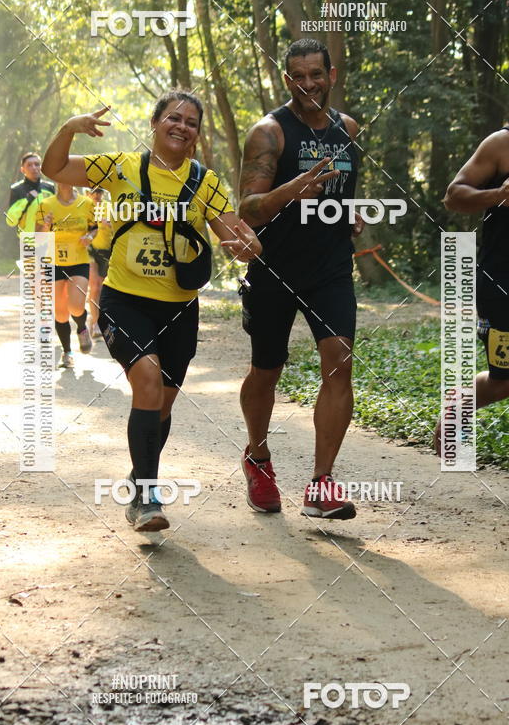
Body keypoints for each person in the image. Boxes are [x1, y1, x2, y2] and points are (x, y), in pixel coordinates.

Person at [41, 90, 262, 532]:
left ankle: (139, 473)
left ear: (197, 135)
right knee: (145, 379)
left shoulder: (205, 182)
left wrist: (247, 246)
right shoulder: (120, 166)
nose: (182, 126)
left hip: (179, 308)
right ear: (155, 123)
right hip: (125, 299)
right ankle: (145, 496)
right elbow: (54, 168)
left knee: (160, 404)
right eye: (173, 118)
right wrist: (69, 128)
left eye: (191, 122)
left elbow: (237, 239)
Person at [238, 38, 363, 520]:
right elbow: (247, 208)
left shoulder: (347, 129)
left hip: (330, 269)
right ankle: (258, 457)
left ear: (332, 75)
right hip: (274, 268)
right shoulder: (269, 133)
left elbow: (344, 192)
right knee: (266, 370)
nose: (308, 84)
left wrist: (350, 213)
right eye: (298, 76)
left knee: (340, 364)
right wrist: (290, 190)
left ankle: (321, 482)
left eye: (316, 74)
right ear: (286, 79)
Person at [440, 63, 509, 511]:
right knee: (506, 383)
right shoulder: (506, 143)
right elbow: (454, 195)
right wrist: (496, 197)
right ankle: (458, 408)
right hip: (504, 281)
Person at [36, 184, 96, 367]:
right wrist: (46, 224)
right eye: (59, 179)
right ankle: (67, 353)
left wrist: (90, 237)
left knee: (76, 307)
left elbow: (94, 227)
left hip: (78, 260)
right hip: (53, 261)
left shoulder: (86, 203)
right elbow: (38, 236)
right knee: (61, 313)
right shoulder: (45, 204)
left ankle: (82, 327)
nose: (63, 181)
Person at [86, 186, 112, 338]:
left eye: (100, 191)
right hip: (89, 251)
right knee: (94, 286)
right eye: (93, 191)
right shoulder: (83, 206)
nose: (97, 194)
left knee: (102, 288)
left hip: (106, 251)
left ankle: (96, 319)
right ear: (87, 193)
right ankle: (95, 323)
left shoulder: (109, 207)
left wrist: (110, 223)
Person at [6, 152, 54, 233]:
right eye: (29, 165)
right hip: (28, 238)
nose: (34, 167)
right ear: (22, 169)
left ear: (41, 167)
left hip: (48, 237)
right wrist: (27, 201)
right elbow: (11, 221)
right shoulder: (17, 189)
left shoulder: (49, 187)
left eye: (37, 164)